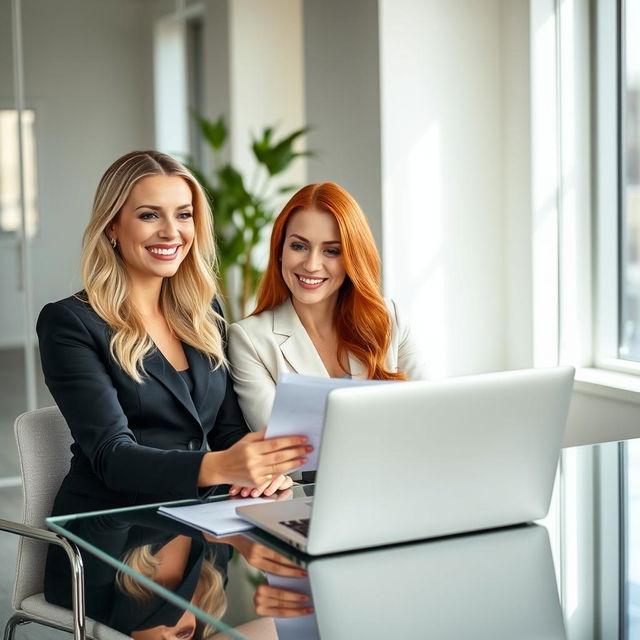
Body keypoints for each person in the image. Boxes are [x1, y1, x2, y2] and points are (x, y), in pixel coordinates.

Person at [37, 150, 312, 520]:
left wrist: (262, 471)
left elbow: (228, 430)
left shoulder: (204, 312)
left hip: (205, 522)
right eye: (149, 215)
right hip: (112, 526)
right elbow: (111, 456)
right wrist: (221, 466)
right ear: (112, 226)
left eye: (184, 214)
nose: (171, 231)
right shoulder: (69, 322)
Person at [227, 182, 425, 462]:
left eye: (331, 251)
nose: (311, 265)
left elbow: (429, 418)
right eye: (299, 246)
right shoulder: (249, 339)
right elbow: (284, 455)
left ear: (351, 258)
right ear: (280, 250)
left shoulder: (389, 320)